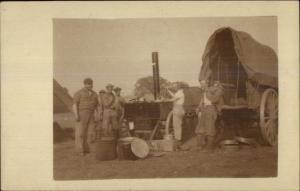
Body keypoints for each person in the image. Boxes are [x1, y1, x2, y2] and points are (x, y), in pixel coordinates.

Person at [195, 80, 224, 152]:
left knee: (210, 129)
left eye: (203, 84)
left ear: (207, 84)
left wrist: (209, 90)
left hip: (211, 109)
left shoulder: (214, 90)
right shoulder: (204, 92)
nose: (201, 85)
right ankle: (199, 146)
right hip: (204, 110)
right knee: (200, 128)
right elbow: (202, 101)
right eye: (200, 84)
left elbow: (216, 98)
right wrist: (198, 108)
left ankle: (209, 148)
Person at [73, 78, 98, 155]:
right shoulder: (79, 93)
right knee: (81, 132)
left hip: (91, 113)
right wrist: (76, 115)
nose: (89, 85)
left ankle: (88, 149)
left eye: (90, 84)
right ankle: (80, 150)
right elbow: (74, 105)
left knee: (91, 132)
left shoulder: (94, 94)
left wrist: (96, 114)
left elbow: (96, 106)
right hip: (82, 113)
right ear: (84, 84)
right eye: (87, 84)